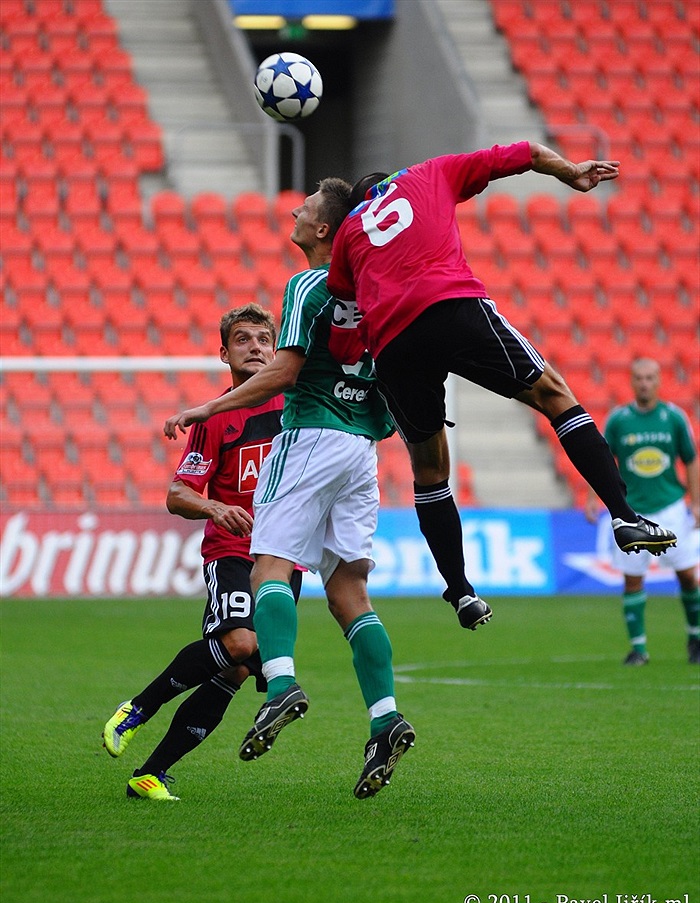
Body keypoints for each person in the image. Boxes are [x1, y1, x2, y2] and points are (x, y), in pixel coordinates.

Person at [325, 142, 677, 626]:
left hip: (392, 343)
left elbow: (344, 300)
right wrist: (570, 172)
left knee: (429, 471)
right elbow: (528, 152)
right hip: (450, 305)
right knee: (555, 397)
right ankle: (624, 514)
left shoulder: (347, 234)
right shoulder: (429, 172)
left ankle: (461, 590)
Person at [164, 178, 415, 800]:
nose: (294, 215)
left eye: (303, 211)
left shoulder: (310, 284)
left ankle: (280, 685)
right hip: (363, 449)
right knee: (349, 591)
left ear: (325, 230)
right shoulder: (383, 292)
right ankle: (384, 718)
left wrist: (205, 408)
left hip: (310, 435)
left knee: (269, 565)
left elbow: (284, 368)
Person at [102, 304, 303, 801]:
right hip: (233, 549)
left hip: (285, 555)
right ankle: (137, 709)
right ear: (224, 353)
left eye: (263, 339)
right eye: (243, 340)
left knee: (235, 669)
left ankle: (150, 774)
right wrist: (215, 508)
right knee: (238, 645)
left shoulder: (299, 407)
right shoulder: (218, 417)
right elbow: (178, 494)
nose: (255, 347)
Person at [585, 358, 699, 665]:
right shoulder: (619, 420)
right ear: (632, 382)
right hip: (632, 512)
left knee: (688, 576)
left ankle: (695, 639)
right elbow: (602, 462)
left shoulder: (674, 418)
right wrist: (593, 497)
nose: (644, 383)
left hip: (671, 507)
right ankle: (639, 649)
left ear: (659, 381)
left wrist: (697, 503)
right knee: (633, 580)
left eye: (650, 377)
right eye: (639, 378)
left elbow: (690, 459)